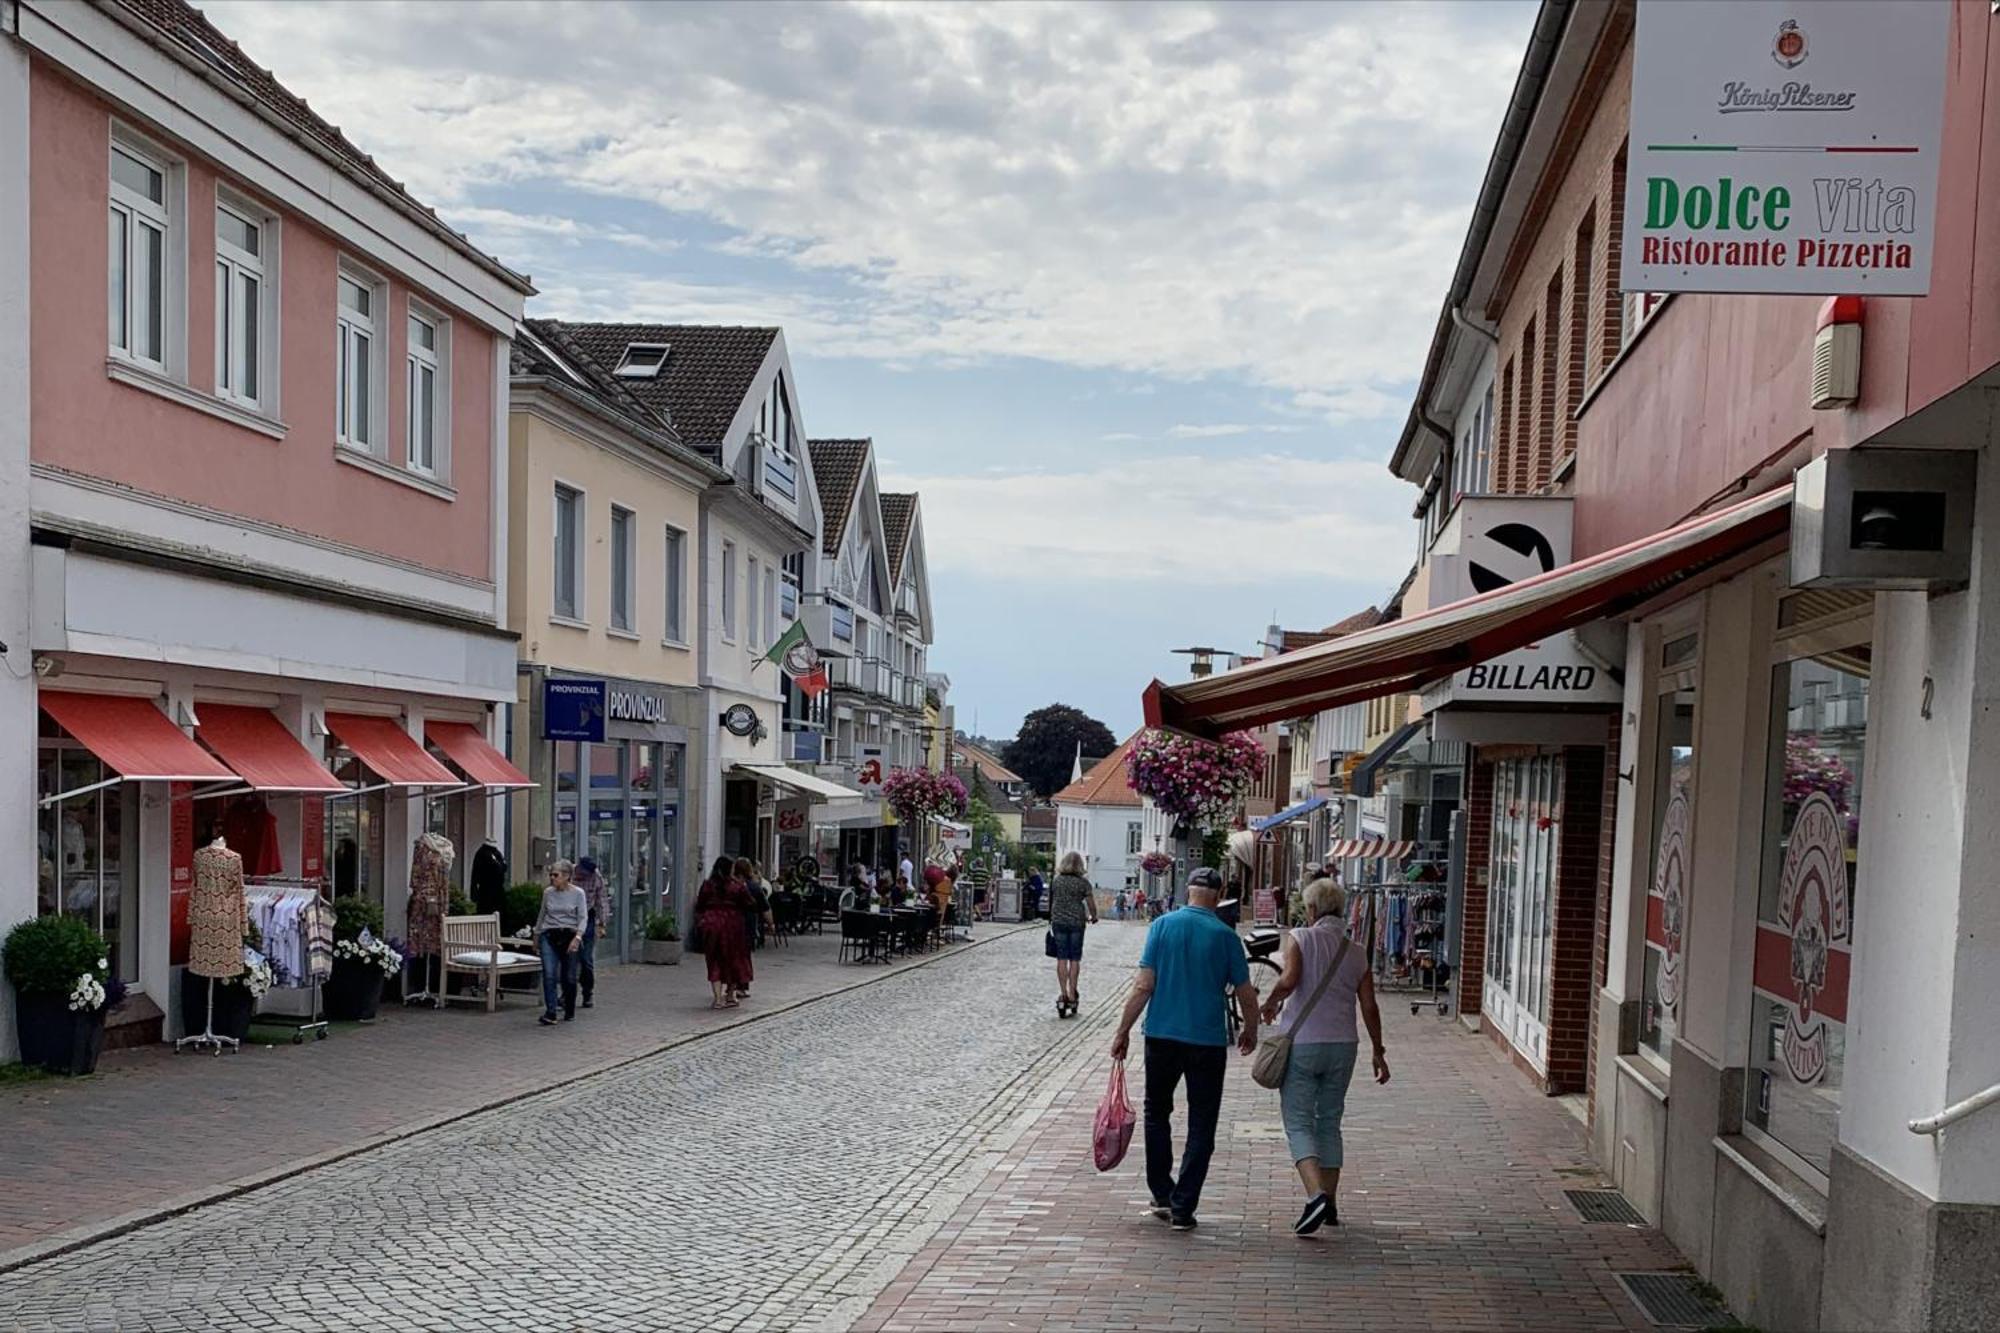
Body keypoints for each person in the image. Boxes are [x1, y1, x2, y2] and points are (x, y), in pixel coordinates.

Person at [1109, 866, 1258, 1230]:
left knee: (1157, 1112)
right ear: (1218, 896)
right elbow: (1245, 992)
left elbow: (1144, 985)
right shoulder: (1226, 937)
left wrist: (1122, 1030)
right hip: (1206, 1040)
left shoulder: (1161, 927)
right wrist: (1251, 1028)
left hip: (1161, 1034)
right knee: (1202, 1122)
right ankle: (1183, 1206)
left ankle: (1162, 1191)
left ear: (1188, 892)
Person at [1260, 875, 1389, 1235]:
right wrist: (1378, 1050)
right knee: (1329, 1121)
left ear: (1312, 909)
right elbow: (1369, 1006)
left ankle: (1315, 1195)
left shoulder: (1300, 938)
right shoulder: (1357, 950)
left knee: (1299, 1121)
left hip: (1302, 1044)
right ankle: (1329, 1203)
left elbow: (1289, 980)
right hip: (1343, 1046)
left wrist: (1270, 1003)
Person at [534, 859, 590, 1026]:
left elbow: (583, 917)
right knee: (549, 974)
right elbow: (542, 914)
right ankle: (551, 1011)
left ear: (566, 876)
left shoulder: (578, 893)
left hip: (570, 935)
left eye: (556, 875)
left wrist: (578, 937)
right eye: (551, 875)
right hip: (550, 934)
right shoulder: (548, 893)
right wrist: (536, 935)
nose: (552, 878)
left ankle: (569, 1008)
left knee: (569, 977)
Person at [695, 857, 755, 1009]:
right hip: (732, 924)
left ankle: (717, 998)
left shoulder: (708, 885)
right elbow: (749, 903)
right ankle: (730, 995)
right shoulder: (736, 886)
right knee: (733, 959)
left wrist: (702, 920)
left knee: (714, 959)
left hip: (712, 923)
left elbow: (700, 904)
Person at [1047, 852, 1100, 1018]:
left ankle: (1062, 993)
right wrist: (1094, 916)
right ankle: (1072, 995)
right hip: (1077, 922)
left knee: (1061, 957)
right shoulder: (1083, 883)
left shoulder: (1057, 881)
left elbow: (1051, 900)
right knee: (1075, 958)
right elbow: (1091, 903)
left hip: (1059, 921)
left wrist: (1052, 915)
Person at [572, 856, 610, 1010]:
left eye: (588, 873)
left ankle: (587, 992)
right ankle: (567, 994)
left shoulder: (596, 877)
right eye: (583, 872)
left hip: (588, 919)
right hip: (570, 919)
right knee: (570, 960)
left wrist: (602, 923)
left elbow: (601, 900)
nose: (584, 875)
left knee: (586, 959)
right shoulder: (569, 873)